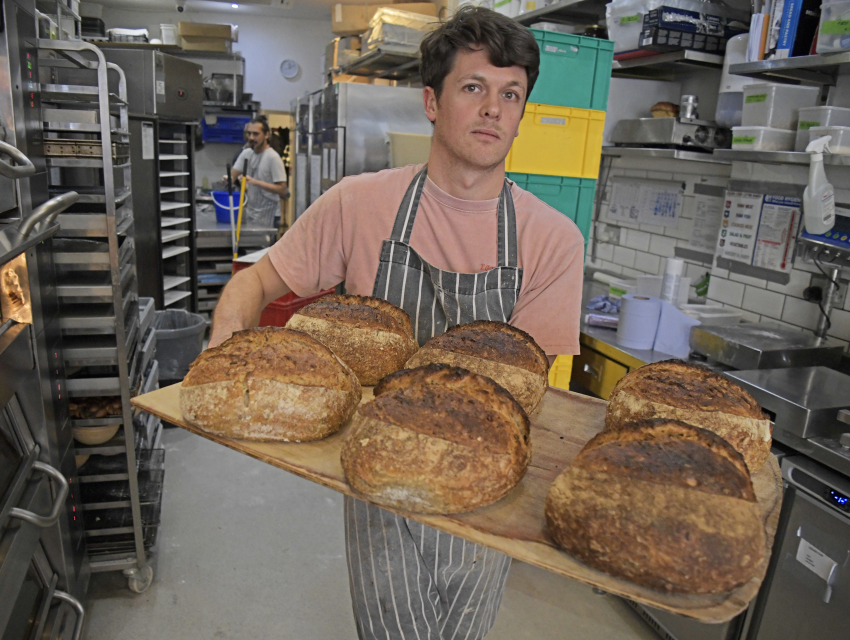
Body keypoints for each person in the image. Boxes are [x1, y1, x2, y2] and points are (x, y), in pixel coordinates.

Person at [209, 7, 583, 639]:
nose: (494, 108)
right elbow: (257, 281)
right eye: (474, 87)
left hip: (483, 475)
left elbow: (528, 388)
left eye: (510, 94)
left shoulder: (552, 240)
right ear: (432, 101)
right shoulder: (359, 204)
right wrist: (229, 348)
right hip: (376, 464)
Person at [230, 116, 287, 228]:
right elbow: (232, 176)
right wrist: (227, 179)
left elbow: (283, 190)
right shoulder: (246, 154)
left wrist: (255, 182)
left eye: (256, 134)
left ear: (266, 135)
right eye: (249, 133)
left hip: (269, 216)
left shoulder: (273, 158)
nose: (251, 137)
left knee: (265, 245)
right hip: (251, 214)